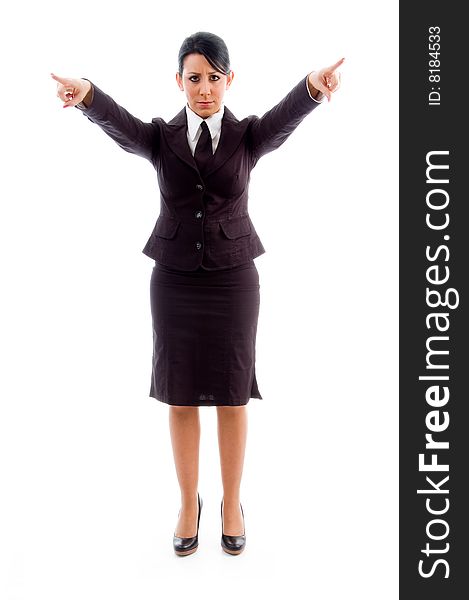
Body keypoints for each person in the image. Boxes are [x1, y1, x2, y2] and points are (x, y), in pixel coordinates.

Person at [51, 31, 343, 557]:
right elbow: (122, 126)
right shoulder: (161, 138)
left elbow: (283, 120)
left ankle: (232, 503)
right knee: (179, 392)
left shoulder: (247, 136)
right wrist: (87, 94)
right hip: (174, 279)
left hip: (234, 278)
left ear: (229, 80)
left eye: (214, 77)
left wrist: (313, 90)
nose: (204, 88)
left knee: (234, 393)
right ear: (179, 81)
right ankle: (189, 502)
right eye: (194, 78)